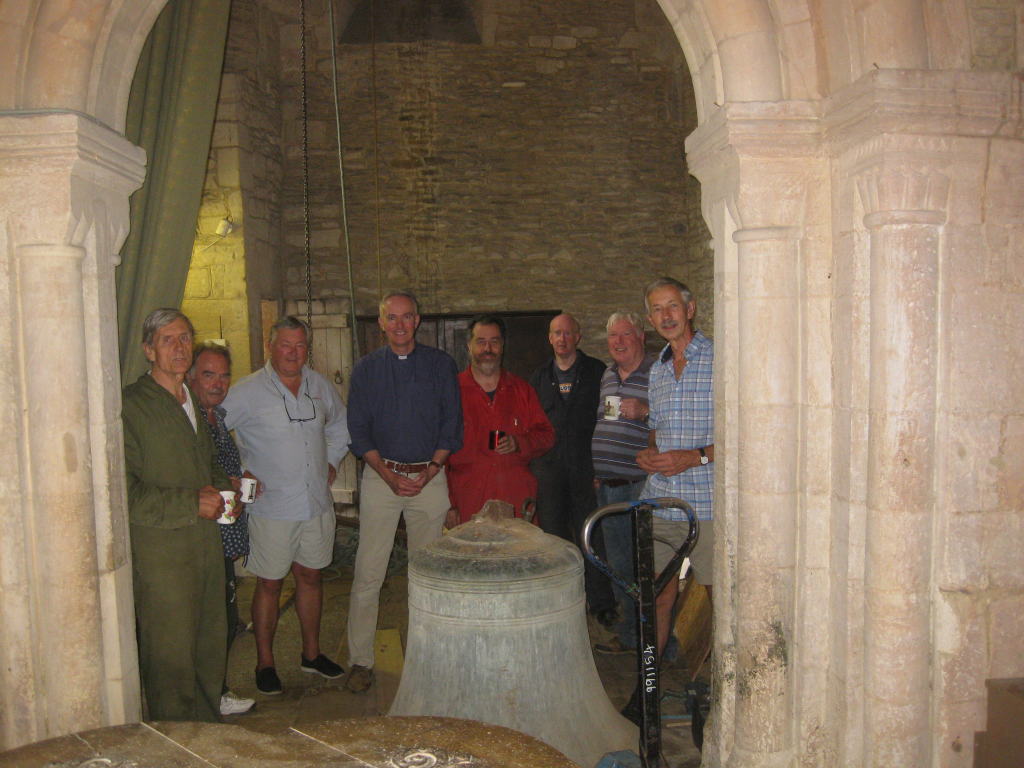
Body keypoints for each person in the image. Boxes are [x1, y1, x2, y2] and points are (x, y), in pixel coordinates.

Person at [223, 316, 350, 696]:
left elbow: (341, 425)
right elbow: (214, 430)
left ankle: (311, 655)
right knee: (269, 584)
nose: (293, 353)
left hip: (314, 504)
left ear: (307, 349)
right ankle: (265, 662)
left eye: (299, 346)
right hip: (271, 508)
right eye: (285, 345)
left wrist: (332, 462)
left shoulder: (319, 385)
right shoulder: (247, 391)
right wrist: (238, 473)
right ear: (270, 345)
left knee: (311, 578)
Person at [122, 308, 237, 722]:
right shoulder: (131, 407)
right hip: (162, 556)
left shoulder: (191, 401)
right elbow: (123, 492)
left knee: (209, 646)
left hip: (204, 546)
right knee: (170, 657)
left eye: (185, 337)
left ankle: (206, 734)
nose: (180, 347)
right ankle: (172, 745)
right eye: (168, 340)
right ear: (148, 350)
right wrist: (191, 503)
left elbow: (205, 466)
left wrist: (225, 488)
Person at [345, 290, 463, 692]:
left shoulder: (440, 365)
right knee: (368, 573)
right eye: (390, 318)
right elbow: (358, 432)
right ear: (381, 323)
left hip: (429, 479)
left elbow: (451, 424)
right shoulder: (365, 370)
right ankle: (360, 660)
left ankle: (425, 658)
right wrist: (388, 474)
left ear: (418, 320)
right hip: (382, 479)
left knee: (426, 574)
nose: (399, 325)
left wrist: (430, 470)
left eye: (406, 317)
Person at [636, 277, 714, 659]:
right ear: (650, 319)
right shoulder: (658, 371)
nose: (666, 316)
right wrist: (648, 454)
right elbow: (656, 433)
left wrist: (695, 456)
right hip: (662, 502)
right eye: (657, 310)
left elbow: (751, 437)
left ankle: (725, 692)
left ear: (690, 309)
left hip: (709, 505)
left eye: (672, 306)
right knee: (655, 598)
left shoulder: (722, 360)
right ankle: (646, 693)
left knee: (723, 601)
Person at [529, 313, 618, 629]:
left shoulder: (599, 373)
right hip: (549, 472)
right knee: (553, 537)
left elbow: (610, 420)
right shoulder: (538, 378)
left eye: (568, 333)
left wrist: (604, 466)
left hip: (587, 471)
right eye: (556, 333)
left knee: (592, 536)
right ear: (550, 338)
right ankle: (561, 600)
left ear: (578, 336)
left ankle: (602, 602)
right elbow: (530, 427)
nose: (562, 339)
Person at [186, 343, 257, 716]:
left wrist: (241, 479)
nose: (217, 383)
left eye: (224, 375)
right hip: (202, 537)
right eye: (208, 374)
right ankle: (209, 696)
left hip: (224, 533)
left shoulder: (219, 416)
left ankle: (215, 691)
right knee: (214, 622)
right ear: (191, 376)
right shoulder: (189, 418)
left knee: (226, 619)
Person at [446, 315, 555, 526]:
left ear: (502, 346)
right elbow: (439, 456)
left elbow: (547, 436)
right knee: (474, 558)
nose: (488, 348)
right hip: (470, 499)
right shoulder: (451, 392)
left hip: (516, 500)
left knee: (519, 559)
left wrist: (520, 443)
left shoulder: (522, 390)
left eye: (494, 341)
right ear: (469, 346)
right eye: (481, 341)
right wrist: (450, 504)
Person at [590, 311, 655, 656]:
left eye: (625, 334)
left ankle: (659, 643)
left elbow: (674, 421)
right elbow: (607, 422)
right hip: (609, 484)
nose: (618, 342)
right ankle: (632, 637)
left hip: (640, 482)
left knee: (647, 565)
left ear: (641, 335)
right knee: (618, 564)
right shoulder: (607, 374)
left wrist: (645, 411)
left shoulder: (658, 372)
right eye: (613, 336)